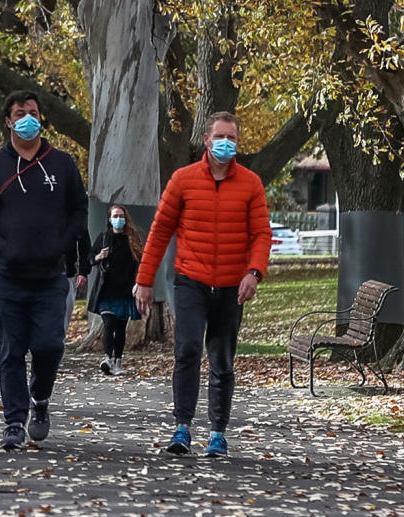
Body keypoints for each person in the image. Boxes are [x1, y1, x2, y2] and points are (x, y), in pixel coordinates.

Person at [133, 112, 272, 457]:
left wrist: (253, 273)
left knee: (222, 359)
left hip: (230, 285)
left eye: (233, 138)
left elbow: (261, 234)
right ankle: (182, 428)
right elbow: (160, 230)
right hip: (191, 281)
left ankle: (218, 433)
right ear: (207, 140)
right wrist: (144, 280)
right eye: (220, 137)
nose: (226, 144)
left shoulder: (250, 184)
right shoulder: (182, 180)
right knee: (188, 349)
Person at [0, 90, 88, 450]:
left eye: (33, 112)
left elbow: (79, 212)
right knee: (12, 350)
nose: (27, 118)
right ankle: (14, 422)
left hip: (51, 277)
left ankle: (40, 397)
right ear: (8, 120)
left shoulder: (63, 164)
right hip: (6, 277)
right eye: (20, 112)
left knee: (50, 345)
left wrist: (64, 244)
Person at [88, 204, 143, 376]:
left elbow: (140, 263)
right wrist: (98, 257)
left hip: (126, 290)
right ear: (110, 219)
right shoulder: (104, 238)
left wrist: (138, 283)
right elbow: (90, 259)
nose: (118, 219)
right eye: (115, 216)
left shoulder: (132, 239)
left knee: (120, 327)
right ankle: (107, 359)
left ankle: (118, 361)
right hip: (106, 290)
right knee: (108, 324)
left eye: (121, 216)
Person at [63, 230, 91, 337]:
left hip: (67, 272)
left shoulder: (74, 215)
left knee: (65, 311)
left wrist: (83, 271)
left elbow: (84, 244)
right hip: (41, 272)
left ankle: (57, 345)